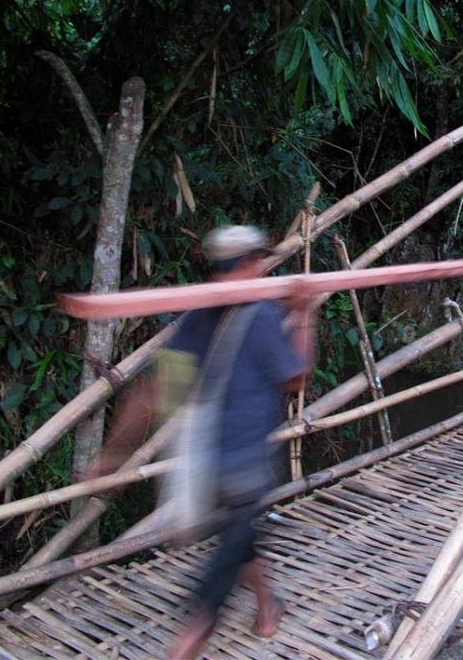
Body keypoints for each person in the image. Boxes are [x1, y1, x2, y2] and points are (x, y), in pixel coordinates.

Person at [85, 225, 313, 659]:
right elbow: (297, 377)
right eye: (258, 262)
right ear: (249, 264)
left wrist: (113, 454)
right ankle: (194, 643)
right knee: (227, 561)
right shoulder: (261, 314)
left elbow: (157, 392)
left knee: (235, 543)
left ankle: (253, 612)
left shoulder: (198, 315)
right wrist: (302, 315)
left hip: (215, 468)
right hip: (237, 467)